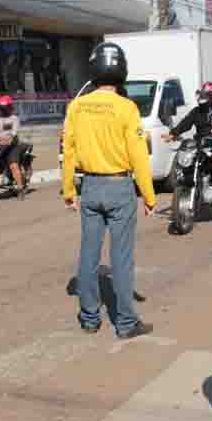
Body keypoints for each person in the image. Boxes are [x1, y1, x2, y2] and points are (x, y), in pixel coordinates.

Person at [62, 42, 156, 340]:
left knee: (88, 255)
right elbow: (139, 156)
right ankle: (126, 323)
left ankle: (90, 318)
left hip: (89, 187)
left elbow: (69, 149)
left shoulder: (76, 106)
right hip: (120, 188)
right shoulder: (127, 108)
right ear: (121, 70)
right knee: (121, 258)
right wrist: (149, 196)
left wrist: (68, 191)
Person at [165, 81, 212, 215]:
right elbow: (186, 123)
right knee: (188, 161)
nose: (202, 97)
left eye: (206, 95)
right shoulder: (197, 111)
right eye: (202, 94)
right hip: (202, 145)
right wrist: (173, 133)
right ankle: (188, 187)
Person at [0, 95, 26, 200]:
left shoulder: (14, 119)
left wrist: (9, 138)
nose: (3, 110)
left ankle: (20, 188)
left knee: (13, 166)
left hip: (12, 146)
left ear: (10, 108)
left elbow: (13, 133)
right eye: (1, 108)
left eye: (5, 108)